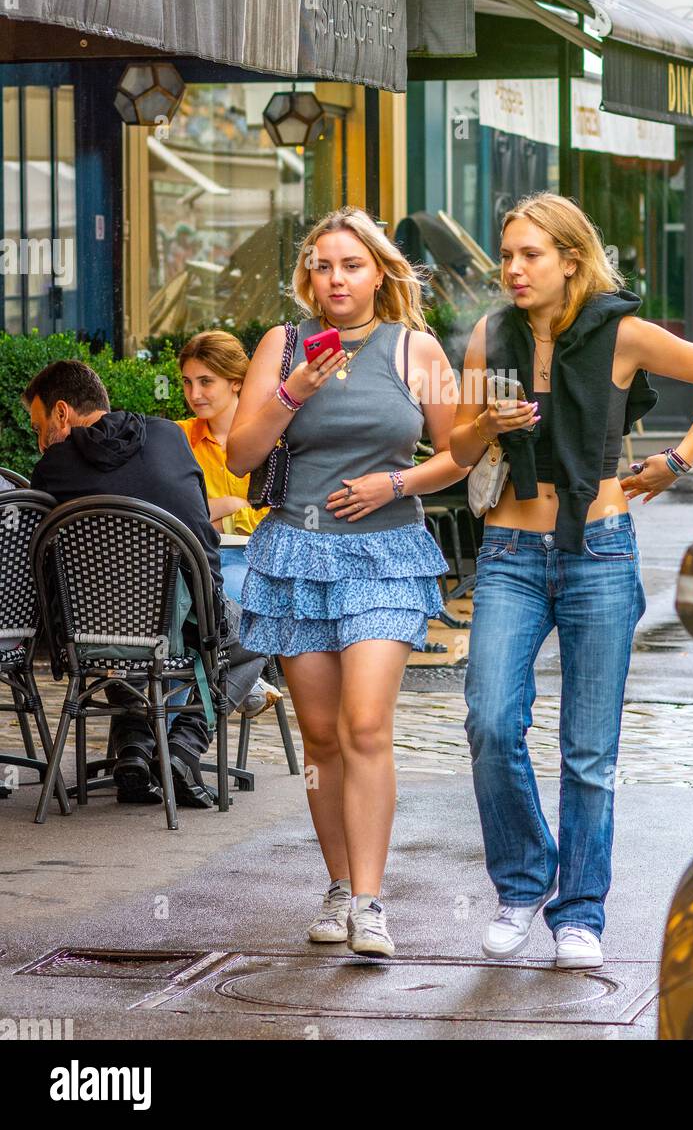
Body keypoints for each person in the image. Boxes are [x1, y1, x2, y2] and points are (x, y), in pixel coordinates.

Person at [449, 193, 693, 971]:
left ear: (570, 260)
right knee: (488, 721)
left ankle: (578, 913)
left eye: (529, 255)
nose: (512, 269)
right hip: (513, 553)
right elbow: (451, 442)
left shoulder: (620, 331)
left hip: (600, 553)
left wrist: (677, 461)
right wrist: (487, 425)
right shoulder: (491, 335)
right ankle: (521, 885)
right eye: (506, 254)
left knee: (589, 751)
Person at [226, 206, 466, 957]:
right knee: (323, 737)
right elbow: (239, 454)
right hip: (296, 553)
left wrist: (393, 483)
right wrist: (293, 389)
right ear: (308, 276)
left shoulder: (414, 348)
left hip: (387, 553)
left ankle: (370, 902)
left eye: (352, 264)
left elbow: (460, 454)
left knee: (366, 724)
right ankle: (336, 888)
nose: (336, 278)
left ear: (378, 273)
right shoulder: (283, 344)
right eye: (324, 265)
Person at [23, 360, 265, 808]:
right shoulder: (168, 437)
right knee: (260, 623)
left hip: (86, 636)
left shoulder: (52, 470)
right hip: (175, 622)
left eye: (40, 427)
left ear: (61, 413)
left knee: (118, 632)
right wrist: (211, 609)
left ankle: (135, 744)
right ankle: (183, 748)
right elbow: (200, 531)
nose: (40, 441)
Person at [175, 330, 279, 719]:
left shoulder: (268, 437)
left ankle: (179, 742)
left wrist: (212, 511)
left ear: (237, 382)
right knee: (165, 613)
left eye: (206, 382)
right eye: (187, 382)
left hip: (252, 559)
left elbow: (270, 515)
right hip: (192, 558)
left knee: (226, 601)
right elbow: (172, 507)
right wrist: (232, 503)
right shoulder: (178, 436)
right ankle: (245, 681)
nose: (194, 393)